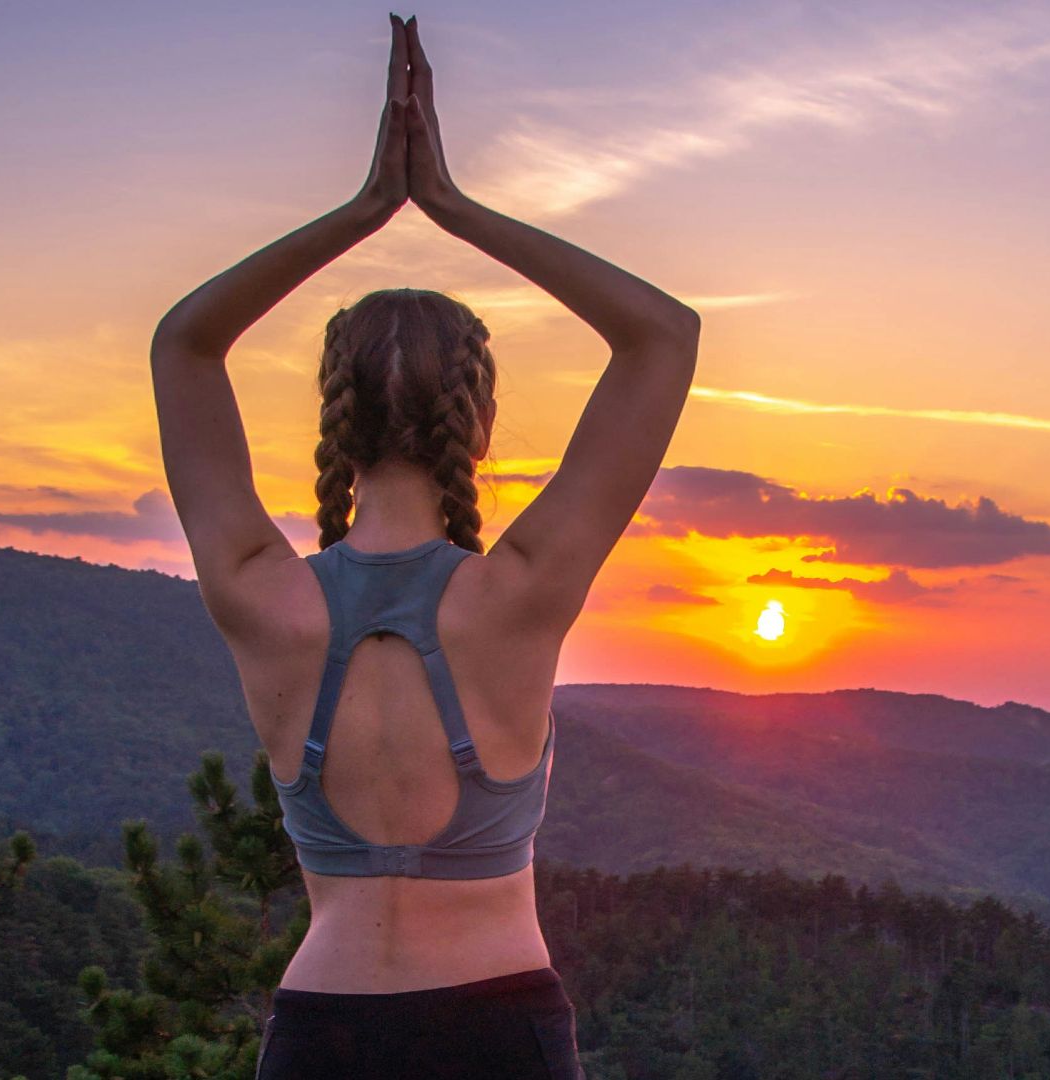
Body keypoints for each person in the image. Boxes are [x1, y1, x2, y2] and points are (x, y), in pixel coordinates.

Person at [149, 12, 699, 1079]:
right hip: (501, 1032)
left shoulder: (263, 595)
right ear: (478, 423)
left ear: (334, 420)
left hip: (322, 1037)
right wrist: (449, 204)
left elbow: (185, 342)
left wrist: (362, 210)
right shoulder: (520, 594)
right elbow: (662, 334)